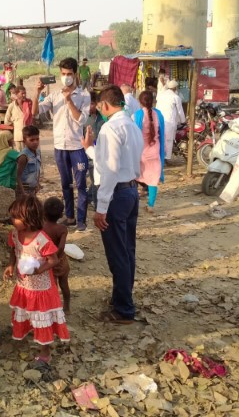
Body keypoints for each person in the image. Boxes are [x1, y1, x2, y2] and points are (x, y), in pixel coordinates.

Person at [81, 85, 143, 324]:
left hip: (116, 194)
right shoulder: (131, 125)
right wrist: (89, 148)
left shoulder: (110, 128)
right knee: (127, 250)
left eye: (99, 106)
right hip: (130, 191)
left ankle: (124, 308)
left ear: (105, 105)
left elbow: (109, 170)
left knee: (117, 253)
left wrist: (101, 207)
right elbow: (108, 161)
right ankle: (122, 297)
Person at [3, 195, 70, 362]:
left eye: (15, 217)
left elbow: (53, 260)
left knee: (42, 316)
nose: (12, 220)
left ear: (29, 218)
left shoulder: (41, 239)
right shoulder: (15, 234)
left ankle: (45, 352)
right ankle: (31, 330)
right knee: (28, 311)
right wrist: (11, 265)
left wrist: (38, 270)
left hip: (41, 288)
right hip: (24, 284)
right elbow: (14, 250)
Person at [33, 57, 91, 232]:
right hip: (60, 146)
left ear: (75, 74)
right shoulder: (54, 95)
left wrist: (69, 101)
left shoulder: (84, 95)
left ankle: (81, 220)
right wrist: (37, 92)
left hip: (77, 146)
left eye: (69, 74)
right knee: (66, 184)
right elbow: (35, 112)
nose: (66, 77)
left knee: (81, 185)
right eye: (63, 74)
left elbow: (81, 119)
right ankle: (70, 216)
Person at [133, 91, 165, 213]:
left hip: (141, 153)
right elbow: (162, 134)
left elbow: (133, 135)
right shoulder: (159, 114)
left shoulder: (137, 115)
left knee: (135, 177)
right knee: (153, 180)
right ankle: (151, 205)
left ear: (140, 102)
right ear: (153, 101)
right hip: (155, 152)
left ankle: (134, 203)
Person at [43, 197, 70, 313]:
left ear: (44, 213)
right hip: (61, 261)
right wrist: (57, 257)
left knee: (51, 287)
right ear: (61, 215)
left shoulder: (41, 227)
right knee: (64, 285)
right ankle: (66, 307)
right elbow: (61, 247)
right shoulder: (62, 229)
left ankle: (53, 308)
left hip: (48, 261)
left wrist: (51, 259)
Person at [84, 92, 105, 209]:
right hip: (88, 153)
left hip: (99, 154)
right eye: (87, 104)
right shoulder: (84, 118)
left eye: (91, 103)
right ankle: (92, 200)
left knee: (97, 181)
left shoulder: (103, 119)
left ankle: (94, 201)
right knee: (94, 180)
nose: (89, 107)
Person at [155, 80, 186, 160]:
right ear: (175, 88)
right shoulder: (176, 97)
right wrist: (183, 121)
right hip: (169, 122)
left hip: (159, 120)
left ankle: (159, 156)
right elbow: (180, 111)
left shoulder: (161, 95)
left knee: (159, 139)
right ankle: (166, 158)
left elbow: (156, 108)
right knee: (168, 140)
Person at [4, 86, 33, 151]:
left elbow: (34, 115)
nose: (24, 95)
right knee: (20, 155)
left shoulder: (29, 104)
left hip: (30, 135)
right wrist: (15, 123)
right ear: (17, 94)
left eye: (25, 93)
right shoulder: (12, 106)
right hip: (19, 136)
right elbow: (6, 121)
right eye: (22, 93)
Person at [16, 125, 42, 197]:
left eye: (37, 139)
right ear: (24, 141)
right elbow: (18, 176)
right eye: (31, 140)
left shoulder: (38, 152)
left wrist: (37, 183)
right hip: (24, 191)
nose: (35, 142)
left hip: (33, 190)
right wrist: (23, 193)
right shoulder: (23, 156)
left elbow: (38, 170)